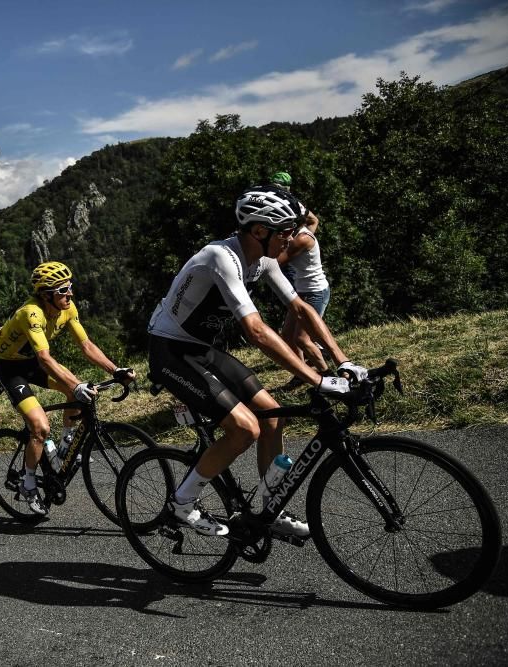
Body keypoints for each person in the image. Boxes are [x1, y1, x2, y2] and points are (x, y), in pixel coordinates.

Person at [146, 185, 366, 537]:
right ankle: (181, 504)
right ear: (260, 231)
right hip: (169, 350)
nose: (295, 238)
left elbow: (300, 307)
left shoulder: (263, 259)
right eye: (287, 232)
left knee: (273, 417)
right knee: (245, 428)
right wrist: (317, 379)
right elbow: (257, 332)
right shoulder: (220, 257)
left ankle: (268, 507)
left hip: (201, 348)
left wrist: (344, 361)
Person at [0, 261, 135, 516]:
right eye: (63, 290)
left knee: (75, 392)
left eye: (70, 287)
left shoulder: (67, 308)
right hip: (9, 368)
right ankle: (28, 481)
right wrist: (75, 385)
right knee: (40, 427)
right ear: (46, 295)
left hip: (31, 361)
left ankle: (66, 443)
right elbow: (45, 359)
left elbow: (86, 345)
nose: (70, 294)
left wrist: (115, 370)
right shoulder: (30, 313)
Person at [271, 172, 330, 384]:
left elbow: (277, 261)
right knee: (287, 336)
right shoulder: (303, 231)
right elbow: (314, 219)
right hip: (302, 291)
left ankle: (325, 375)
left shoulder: (302, 239)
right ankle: (302, 372)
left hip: (314, 292)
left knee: (302, 339)